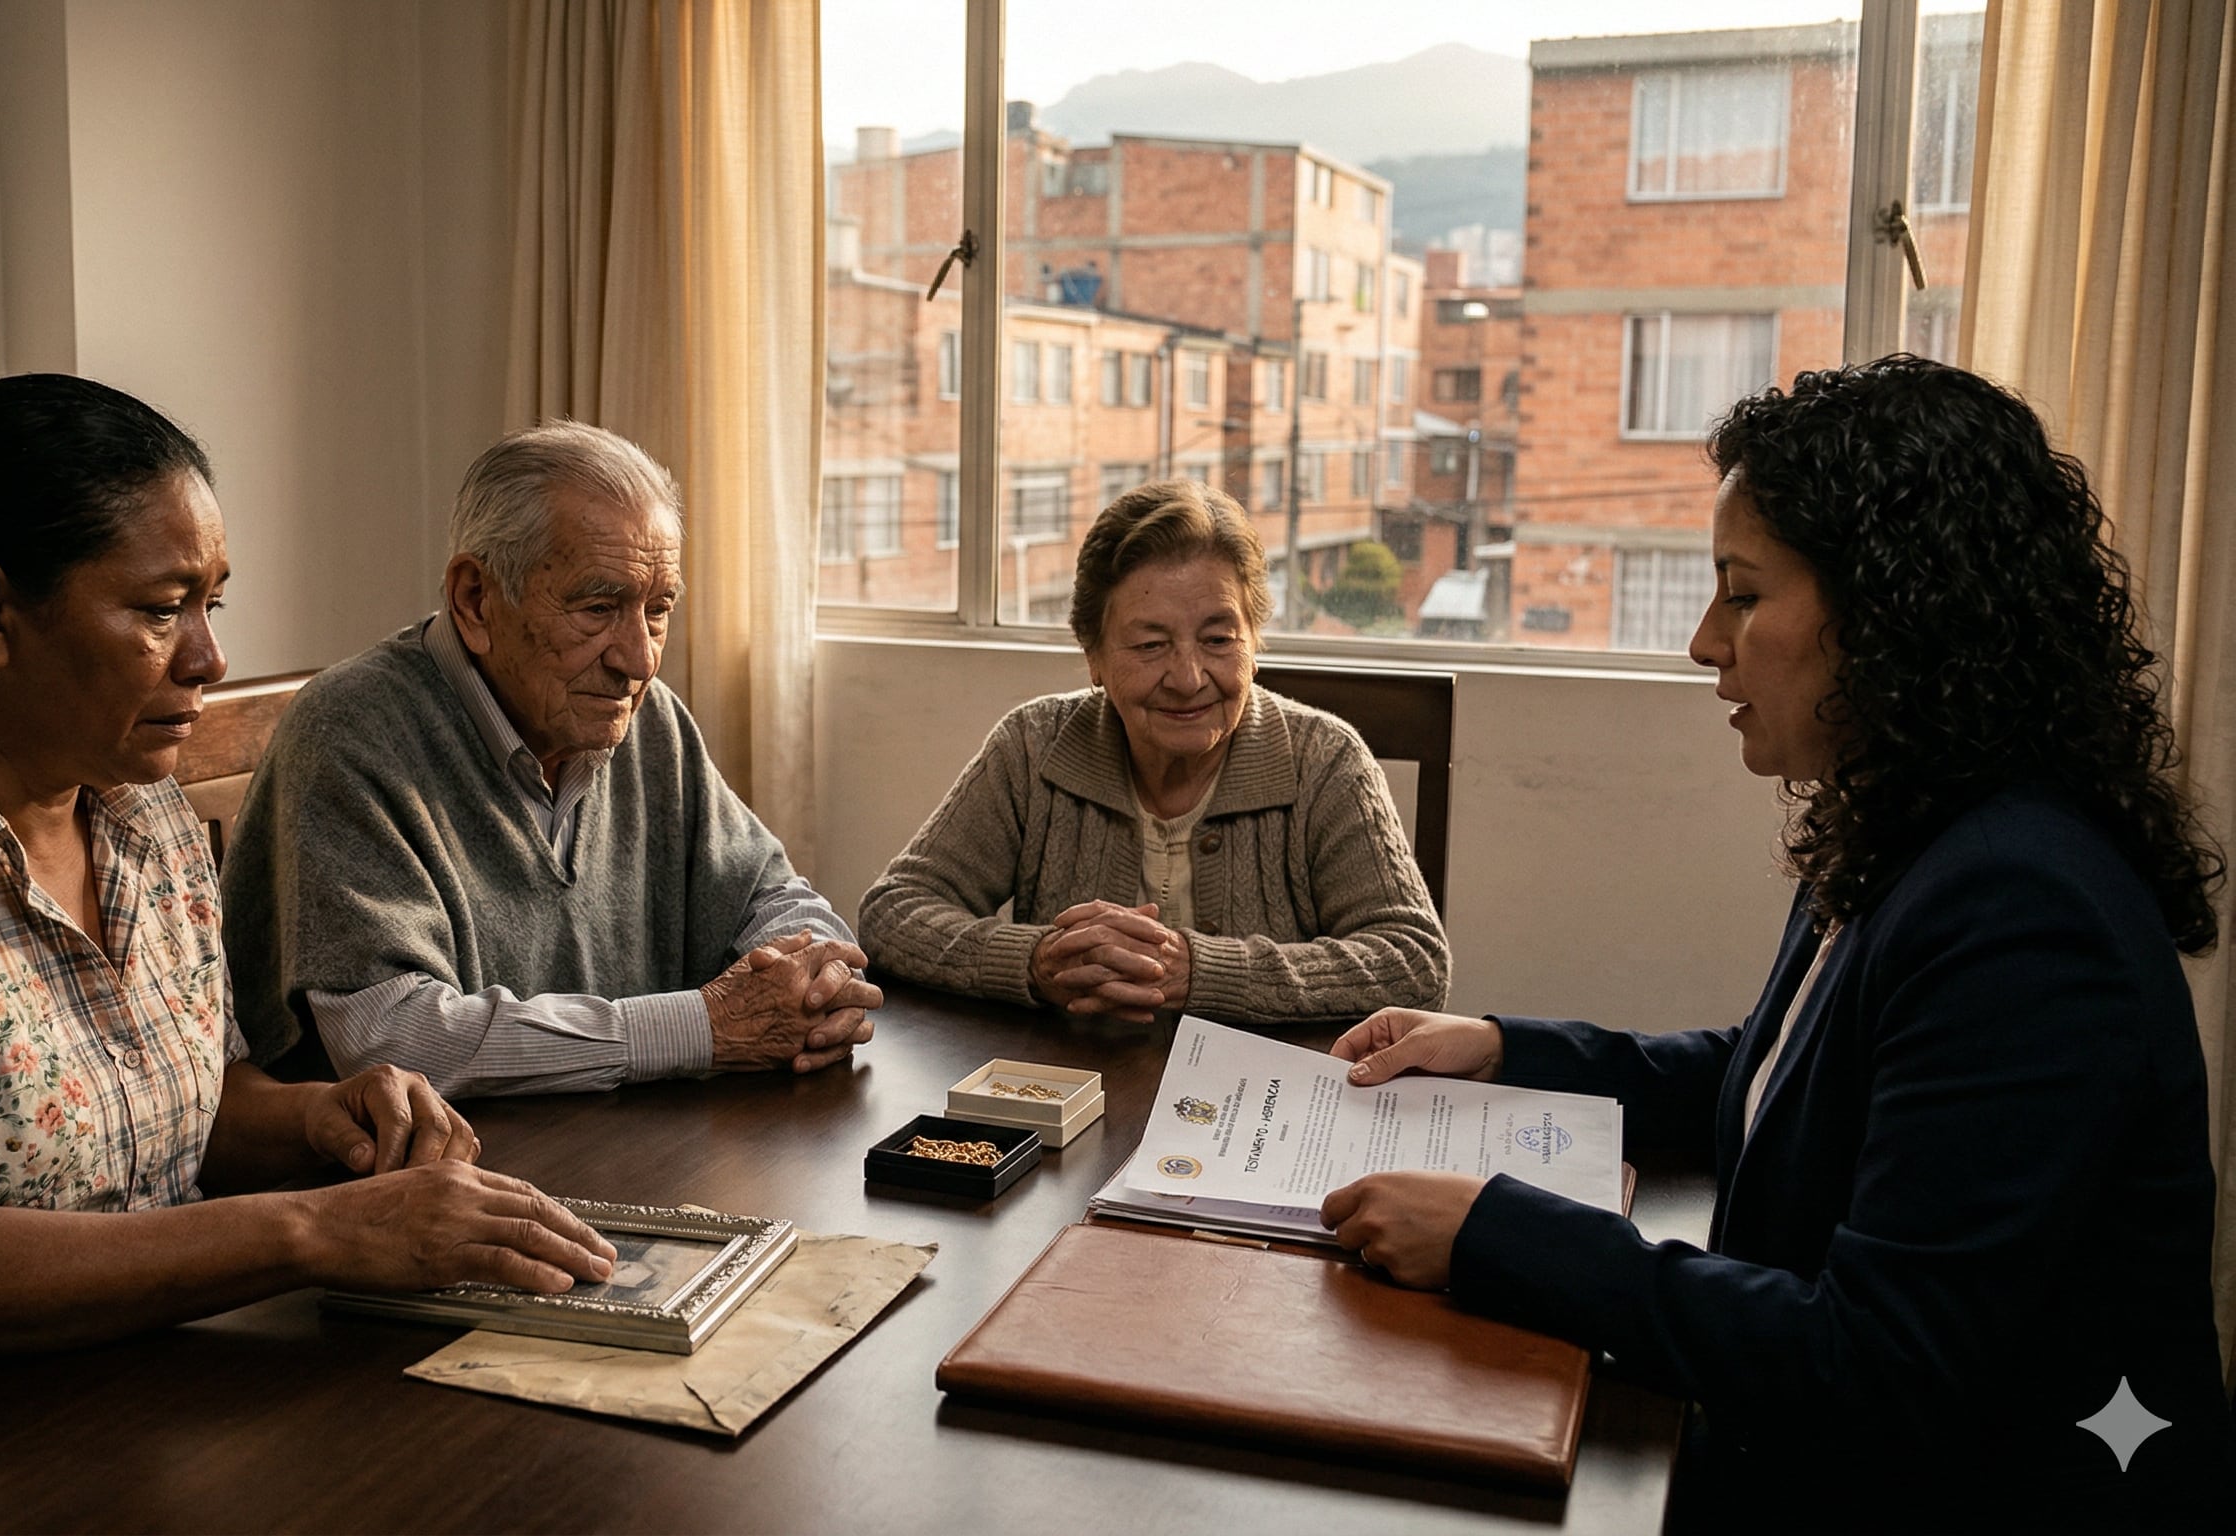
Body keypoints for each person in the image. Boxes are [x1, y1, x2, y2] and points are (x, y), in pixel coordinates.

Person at [0, 375, 615, 1466]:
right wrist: (312, 1229)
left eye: (211, 603)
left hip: (89, 1412)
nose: (207, 659)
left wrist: (322, 1119)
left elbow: (171, 1109)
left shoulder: (137, 812)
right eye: (159, 608)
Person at [1319, 356, 2234, 1530]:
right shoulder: (1918, 819)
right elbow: (1778, 1080)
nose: (1706, 643)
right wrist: (1502, 1047)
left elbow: (1873, 1362)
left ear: (1894, 612)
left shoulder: (2021, 908)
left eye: (1743, 596)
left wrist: (1498, 1234)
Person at [220, 421, 878, 1097]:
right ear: (475, 599)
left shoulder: (649, 724)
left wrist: (814, 981)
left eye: (658, 609)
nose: (640, 659)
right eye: (599, 607)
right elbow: (390, 1037)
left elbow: (772, 896)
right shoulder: (353, 731)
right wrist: (700, 1029)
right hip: (394, 1183)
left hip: (610, 1156)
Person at [856, 479, 1447, 1026]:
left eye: (1218, 639)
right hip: (1075, 1095)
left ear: (1254, 643)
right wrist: (1038, 960)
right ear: (1094, 656)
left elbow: (1415, 963)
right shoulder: (1034, 747)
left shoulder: (1326, 761)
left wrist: (1204, 972)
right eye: (1150, 644)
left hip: (1265, 1112)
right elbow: (893, 914)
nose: (1188, 677)